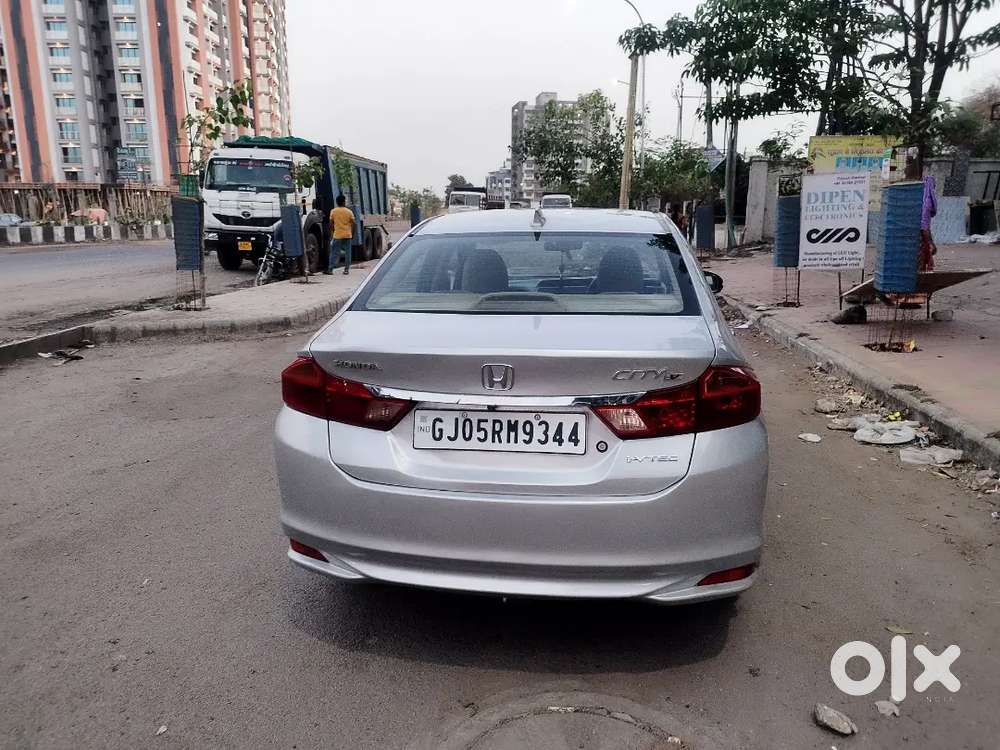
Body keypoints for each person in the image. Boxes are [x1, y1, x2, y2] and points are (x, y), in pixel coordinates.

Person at [329, 195, 355, 275]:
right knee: (348, 253)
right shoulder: (349, 212)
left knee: (334, 252)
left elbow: (331, 224)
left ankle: (330, 269)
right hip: (347, 235)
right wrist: (352, 233)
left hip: (337, 235)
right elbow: (354, 224)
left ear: (337, 202)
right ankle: (346, 269)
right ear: (344, 202)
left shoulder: (333, 211)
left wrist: (333, 232)